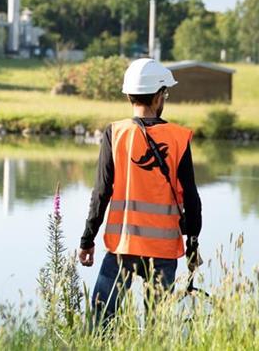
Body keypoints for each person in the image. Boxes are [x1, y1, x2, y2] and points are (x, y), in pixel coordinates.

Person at [78, 58, 202, 324]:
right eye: (165, 93)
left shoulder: (116, 133)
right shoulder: (178, 138)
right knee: (157, 328)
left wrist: (87, 240)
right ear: (158, 96)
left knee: (100, 323)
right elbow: (191, 197)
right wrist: (192, 244)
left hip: (122, 246)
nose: (164, 97)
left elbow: (101, 192)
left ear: (129, 95)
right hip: (164, 249)